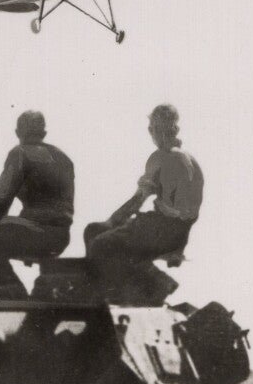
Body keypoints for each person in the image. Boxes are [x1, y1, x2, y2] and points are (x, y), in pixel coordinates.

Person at [84, 103, 204, 276]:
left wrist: (110, 222)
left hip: (161, 230)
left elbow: (137, 200)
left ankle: (149, 283)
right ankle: (141, 279)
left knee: (98, 241)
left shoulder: (161, 158)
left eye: (152, 127)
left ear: (155, 129)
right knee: (101, 234)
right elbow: (189, 213)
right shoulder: (189, 159)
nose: (151, 132)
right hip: (179, 234)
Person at [0, 110, 74, 300]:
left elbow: (0, 200)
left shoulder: (20, 153)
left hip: (36, 232)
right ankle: (0, 283)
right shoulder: (64, 158)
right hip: (60, 237)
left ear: (18, 132)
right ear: (44, 133)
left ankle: (8, 285)